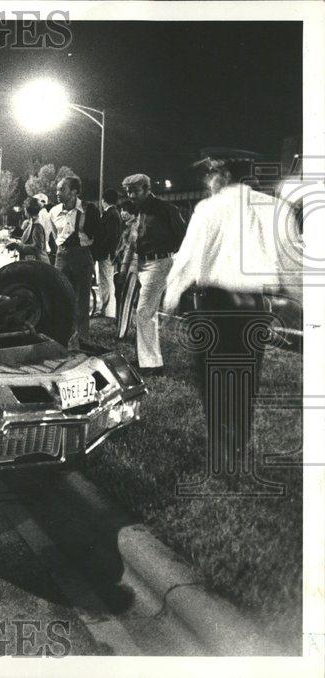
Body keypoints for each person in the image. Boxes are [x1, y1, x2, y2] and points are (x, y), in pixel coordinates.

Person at [163, 154, 301, 482]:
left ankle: (220, 447)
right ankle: (237, 446)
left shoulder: (209, 208)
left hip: (214, 303)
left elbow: (190, 257)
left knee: (212, 375)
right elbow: (292, 260)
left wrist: (171, 295)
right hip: (254, 306)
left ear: (223, 176)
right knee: (246, 376)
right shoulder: (276, 209)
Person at [121, 173, 187, 376]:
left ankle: (151, 363)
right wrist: (125, 266)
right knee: (145, 312)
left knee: (143, 312)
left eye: (135, 191)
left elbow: (183, 237)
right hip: (141, 262)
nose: (131, 195)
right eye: (128, 191)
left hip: (159, 263)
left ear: (147, 189)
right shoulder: (138, 210)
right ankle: (146, 357)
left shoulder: (166, 209)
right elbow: (133, 240)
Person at [46, 176, 102, 348]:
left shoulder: (88, 209)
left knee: (82, 299)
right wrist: (61, 248)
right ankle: (62, 335)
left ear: (74, 191)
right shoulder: (53, 211)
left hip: (82, 255)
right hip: (62, 255)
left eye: (61, 189)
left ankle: (82, 339)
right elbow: (55, 234)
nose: (57, 193)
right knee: (61, 295)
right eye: (57, 189)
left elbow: (97, 234)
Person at [93, 188, 123, 318]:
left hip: (106, 254)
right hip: (108, 253)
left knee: (106, 281)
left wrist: (104, 252)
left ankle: (108, 310)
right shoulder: (113, 213)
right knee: (106, 281)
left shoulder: (111, 214)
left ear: (103, 200)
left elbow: (110, 236)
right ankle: (107, 309)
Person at [7, 199, 50, 263]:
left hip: (39, 265)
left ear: (26, 210)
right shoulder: (32, 223)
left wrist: (17, 246)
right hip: (33, 263)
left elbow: (36, 248)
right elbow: (28, 241)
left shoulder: (37, 226)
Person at [33, 193, 57, 264]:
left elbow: (41, 232)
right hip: (46, 246)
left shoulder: (42, 215)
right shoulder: (46, 214)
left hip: (43, 247)